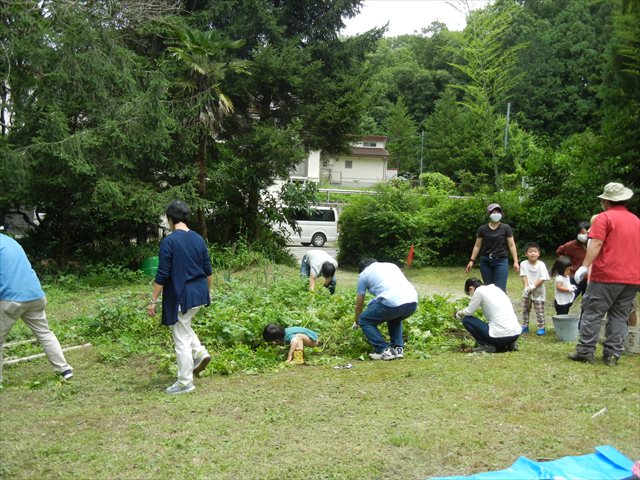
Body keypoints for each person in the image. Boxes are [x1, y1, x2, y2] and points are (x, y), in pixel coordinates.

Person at [569, 182, 640, 366]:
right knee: (619, 315)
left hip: (607, 275)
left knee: (593, 312)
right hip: (632, 277)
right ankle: (612, 354)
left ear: (606, 201)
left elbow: (597, 244)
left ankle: (585, 351)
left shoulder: (603, 218)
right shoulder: (636, 220)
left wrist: (584, 266)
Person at [147, 200, 213, 394]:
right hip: (199, 292)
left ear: (170, 219)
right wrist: (207, 292)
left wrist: (153, 300)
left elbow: (162, 274)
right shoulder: (198, 239)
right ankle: (200, 353)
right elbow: (208, 270)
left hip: (182, 296)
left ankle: (185, 382)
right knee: (184, 326)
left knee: (180, 338)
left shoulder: (169, 241)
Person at [0, 234, 74, 385]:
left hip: (12, 299)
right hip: (35, 295)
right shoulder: (9, 241)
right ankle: (64, 369)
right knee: (45, 333)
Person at [352, 258, 418, 360]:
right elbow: (390, 287)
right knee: (394, 317)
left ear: (362, 269)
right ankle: (398, 348)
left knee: (364, 320)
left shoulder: (363, 275)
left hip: (392, 302)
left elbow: (359, 304)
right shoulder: (391, 265)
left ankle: (383, 350)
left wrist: (357, 321)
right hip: (412, 302)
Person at [455, 278, 521, 353]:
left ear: (471, 288)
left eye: (470, 294)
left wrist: (459, 313)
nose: (471, 297)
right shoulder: (496, 289)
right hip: (515, 334)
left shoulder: (479, 291)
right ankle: (510, 344)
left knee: (467, 320)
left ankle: (485, 345)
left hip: (500, 337)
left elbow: (469, 311)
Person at [466, 203, 520, 292]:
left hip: (501, 261)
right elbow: (477, 246)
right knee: (489, 289)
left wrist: (515, 261)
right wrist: (471, 261)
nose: (496, 214)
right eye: (493, 212)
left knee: (500, 290)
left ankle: (502, 306)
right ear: (489, 214)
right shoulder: (482, 229)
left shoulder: (506, 228)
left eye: (498, 211)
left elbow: (512, 245)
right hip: (486, 262)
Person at [519, 242, 550, 335]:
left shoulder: (541, 264)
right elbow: (524, 275)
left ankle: (541, 327)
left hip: (539, 291)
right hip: (527, 291)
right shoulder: (523, 264)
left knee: (539, 310)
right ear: (526, 253)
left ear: (539, 253)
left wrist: (533, 286)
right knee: (525, 309)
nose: (533, 253)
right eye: (530, 251)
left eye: (535, 251)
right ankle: (524, 326)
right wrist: (526, 287)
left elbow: (543, 278)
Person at [556, 221, 590, 299]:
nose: (583, 235)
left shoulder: (593, 246)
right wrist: (566, 266)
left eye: (585, 233)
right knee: (568, 299)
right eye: (581, 233)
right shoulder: (571, 245)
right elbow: (559, 252)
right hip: (574, 277)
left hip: (589, 279)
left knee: (587, 303)